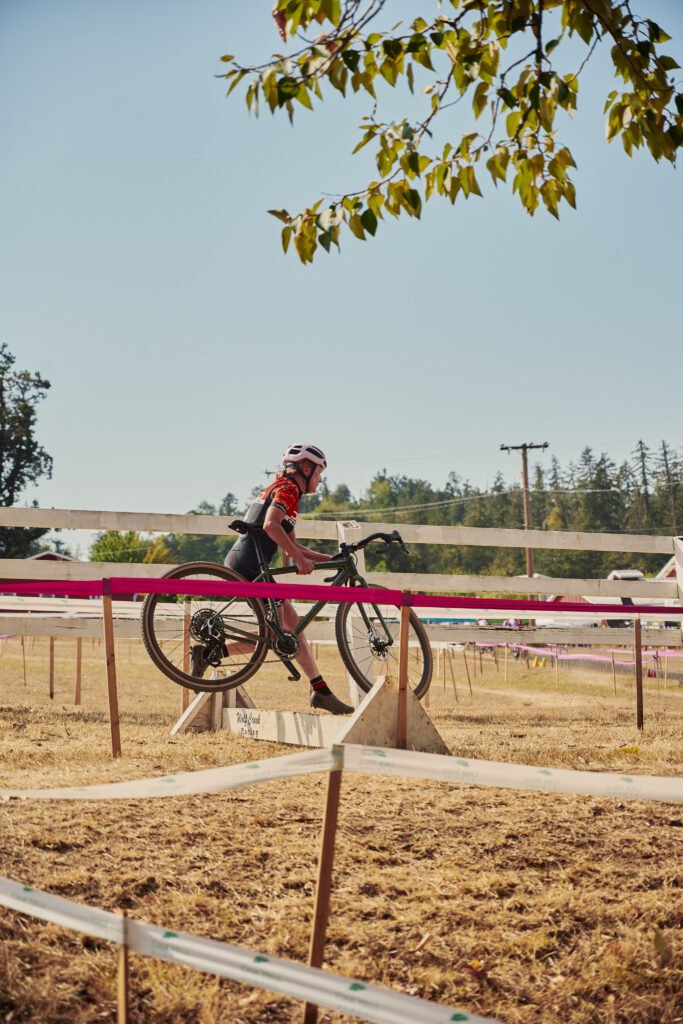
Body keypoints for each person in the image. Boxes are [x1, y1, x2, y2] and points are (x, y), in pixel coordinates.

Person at [191, 444, 353, 715]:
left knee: (291, 627)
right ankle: (208, 654)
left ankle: (320, 690)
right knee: (274, 634)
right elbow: (270, 525)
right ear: (305, 469)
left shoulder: (285, 489)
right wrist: (299, 560)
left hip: (251, 562)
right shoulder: (288, 489)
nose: (320, 480)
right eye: (319, 473)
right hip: (250, 564)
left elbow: (293, 546)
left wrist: (330, 559)